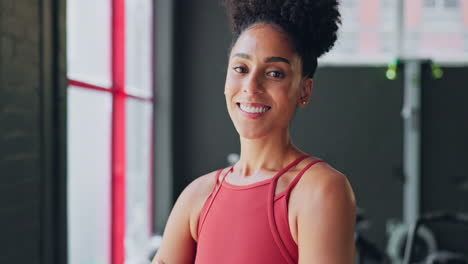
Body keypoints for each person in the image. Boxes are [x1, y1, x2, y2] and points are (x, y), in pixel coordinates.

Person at [152, 0, 355, 263]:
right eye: (240, 68)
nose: (251, 85)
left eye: (274, 73)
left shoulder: (320, 190)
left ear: (304, 90)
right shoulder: (197, 196)